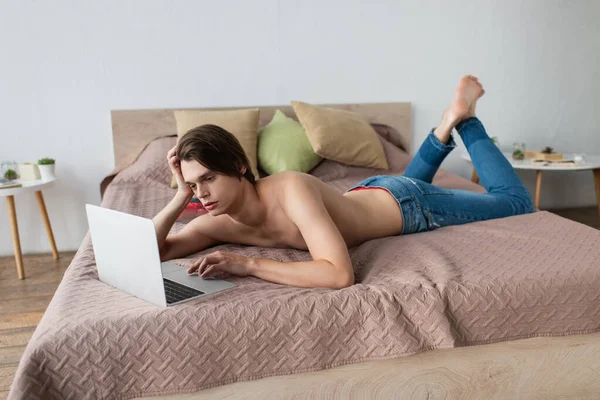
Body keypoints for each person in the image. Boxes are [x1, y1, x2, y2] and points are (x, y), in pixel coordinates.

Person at [152, 75, 535, 289]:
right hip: (369, 193)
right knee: (395, 183)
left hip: (409, 205)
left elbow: (337, 273)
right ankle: (443, 128)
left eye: (209, 179)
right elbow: (155, 251)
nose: (202, 193)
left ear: (238, 166)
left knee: (515, 202)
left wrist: (248, 264)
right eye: (193, 185)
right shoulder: (215, 218)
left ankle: (464, 120)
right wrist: (178, 197)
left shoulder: (291, 189)